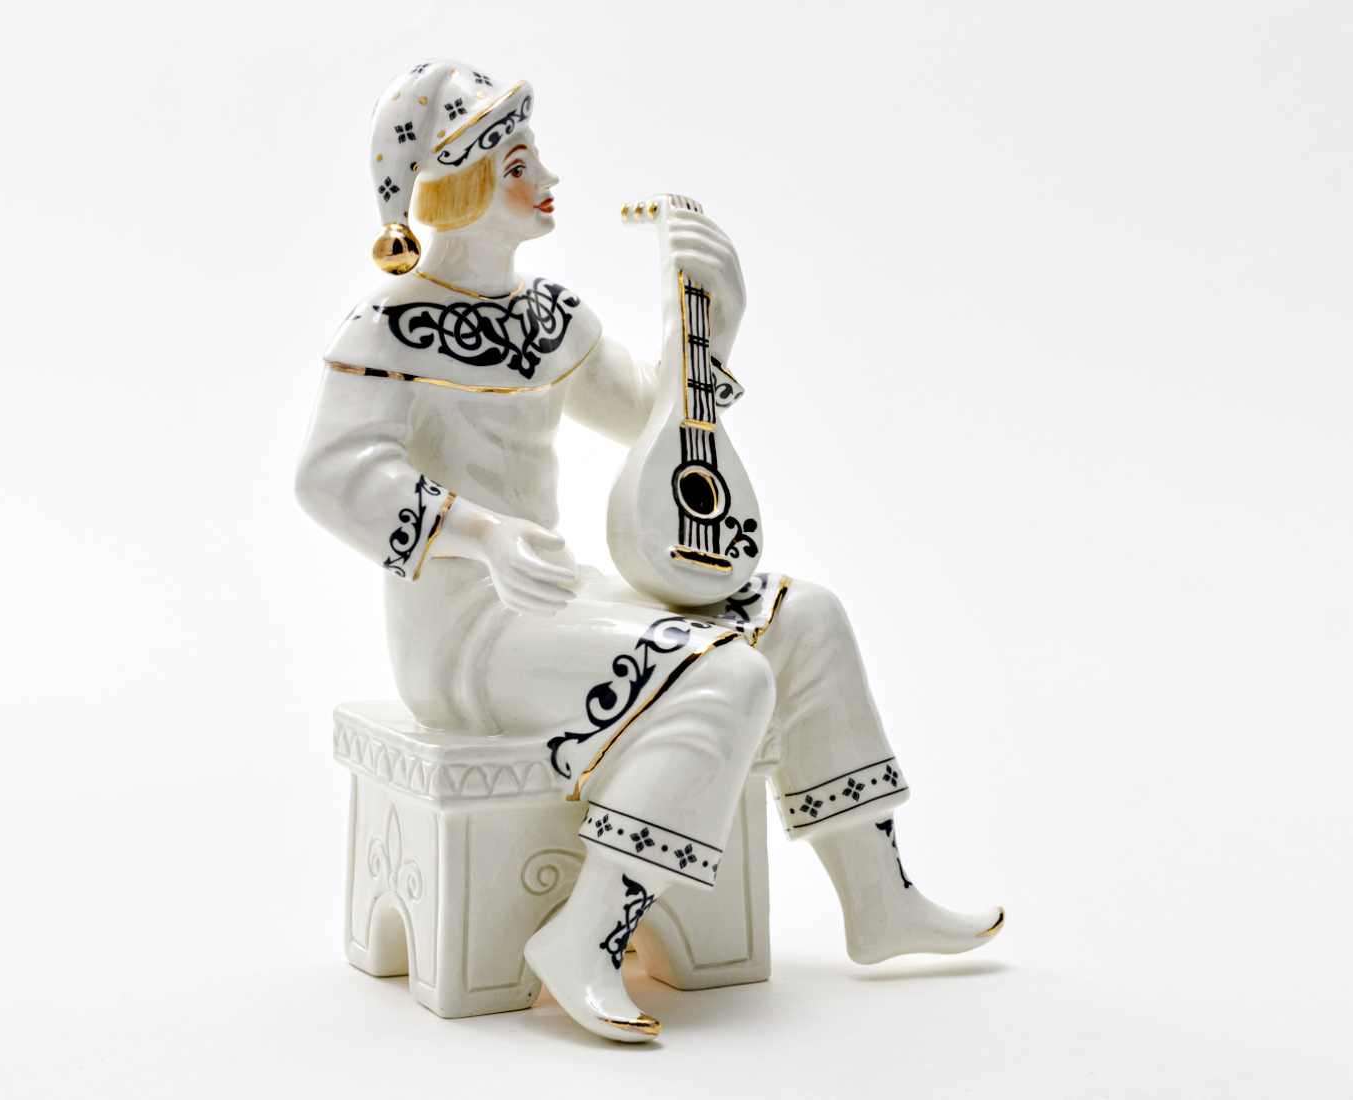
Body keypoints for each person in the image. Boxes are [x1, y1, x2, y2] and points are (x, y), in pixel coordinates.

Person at [296, 60, 1003, 1044]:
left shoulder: (550, 317)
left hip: (553, 600)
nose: (547, 176)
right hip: (464, 637)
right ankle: (587, 932)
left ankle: (878, 895)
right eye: (516, 165)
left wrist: (714, 325)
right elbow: (332, 475)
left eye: (534, 155)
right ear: (455, 190)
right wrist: (481, 536)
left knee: (806, 616)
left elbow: (649, 417)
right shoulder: (386, 328)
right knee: (725, 674)